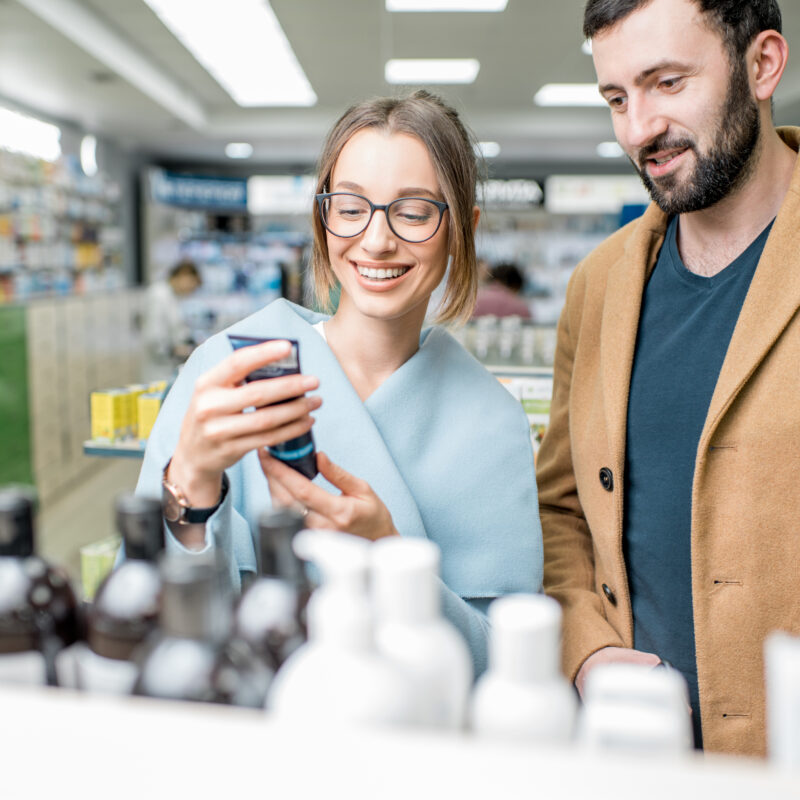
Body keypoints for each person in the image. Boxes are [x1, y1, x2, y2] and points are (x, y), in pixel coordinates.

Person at [135, 90, 543, 676]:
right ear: (323, 218)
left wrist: (391, 558)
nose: (377, 240)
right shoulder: (229, 369)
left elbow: (506, 666)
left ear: (463, 228)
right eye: (351, 207)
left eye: (414, 211)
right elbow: (148, 616)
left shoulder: (492, 420)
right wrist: (192, 483)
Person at [537, 0, 798, 756]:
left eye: (667, 83)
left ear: (762, 64)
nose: (637, 129)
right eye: (617, 98)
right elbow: (560, 508)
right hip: (639, 757)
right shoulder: (599, 285)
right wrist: (584, 647)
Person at [141, 259, 203, 382]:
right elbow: (154, 339)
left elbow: (178, 330)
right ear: (183, 275)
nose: (190, 291)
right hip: (159, 370)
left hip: (169, 368)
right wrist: (176, 351)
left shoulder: (172, 296)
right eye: (192, 285)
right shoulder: (159, 294)